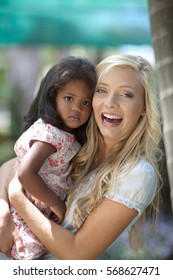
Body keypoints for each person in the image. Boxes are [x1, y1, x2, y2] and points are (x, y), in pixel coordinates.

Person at [0, 54, 162, 260]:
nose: (111, 102)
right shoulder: (76, 143)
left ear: (144, 108)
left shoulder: (136, 173)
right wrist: (3, 210)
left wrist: (16, 197)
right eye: (102, 90)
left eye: (127, 94)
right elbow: (10, 165)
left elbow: (77, 254)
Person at [0, 56, 96, 260]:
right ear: (53, 98)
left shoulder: (64, 135)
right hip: (26, 213)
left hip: (34, 210)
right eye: (69, 98)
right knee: (26, 255)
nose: (77, 108)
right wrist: (56, 204)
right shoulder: (50, 135)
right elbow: (26, 173)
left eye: (85, 102)